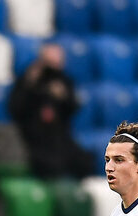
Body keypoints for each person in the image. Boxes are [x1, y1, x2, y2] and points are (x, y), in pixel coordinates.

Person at [8, 43, 90, 179]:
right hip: (33, 137)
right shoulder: (27, 80)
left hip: (59, 136)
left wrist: (63, 97)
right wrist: (30, 86)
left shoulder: (64, 81)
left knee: (83, 160)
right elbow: (15, 108)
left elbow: (73, 107)